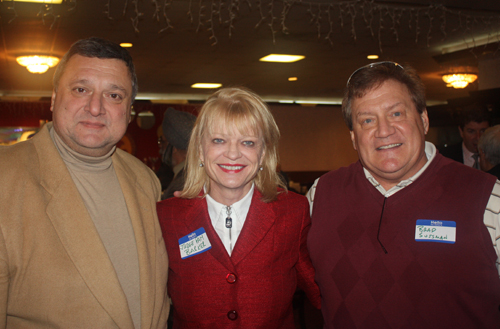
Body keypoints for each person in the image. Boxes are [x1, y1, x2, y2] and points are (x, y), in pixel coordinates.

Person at [307, 62, 500, 328]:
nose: (384, 130)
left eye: (396, 114)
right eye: (367, 120)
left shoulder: (489, 197)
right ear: (353, 136)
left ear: (423, 119)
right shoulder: (320, 195)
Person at [0, 37, 169, 328]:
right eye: (81, 89)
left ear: (129, 109)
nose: (95, 108)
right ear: (54, 98)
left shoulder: (145, 180)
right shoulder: (6, 177)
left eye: (114, 95)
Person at [157, 87, 320, 328]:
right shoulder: (167, 217)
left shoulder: (292, 212)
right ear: (201, 150)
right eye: (219, 140)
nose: (233, 153)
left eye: (247, 142)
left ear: (263, 153)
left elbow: (321, 289)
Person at [160, 107, 196, 199]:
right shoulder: (192, 176)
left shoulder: (181, 184)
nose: (160, 149)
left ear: (174, 148)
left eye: (163, 142)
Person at [440, 104, 490, 169]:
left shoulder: (497, 156)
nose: (478, 137)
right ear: (461, 132)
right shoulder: (445, 157)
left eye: (483, 131)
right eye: (471, 131)